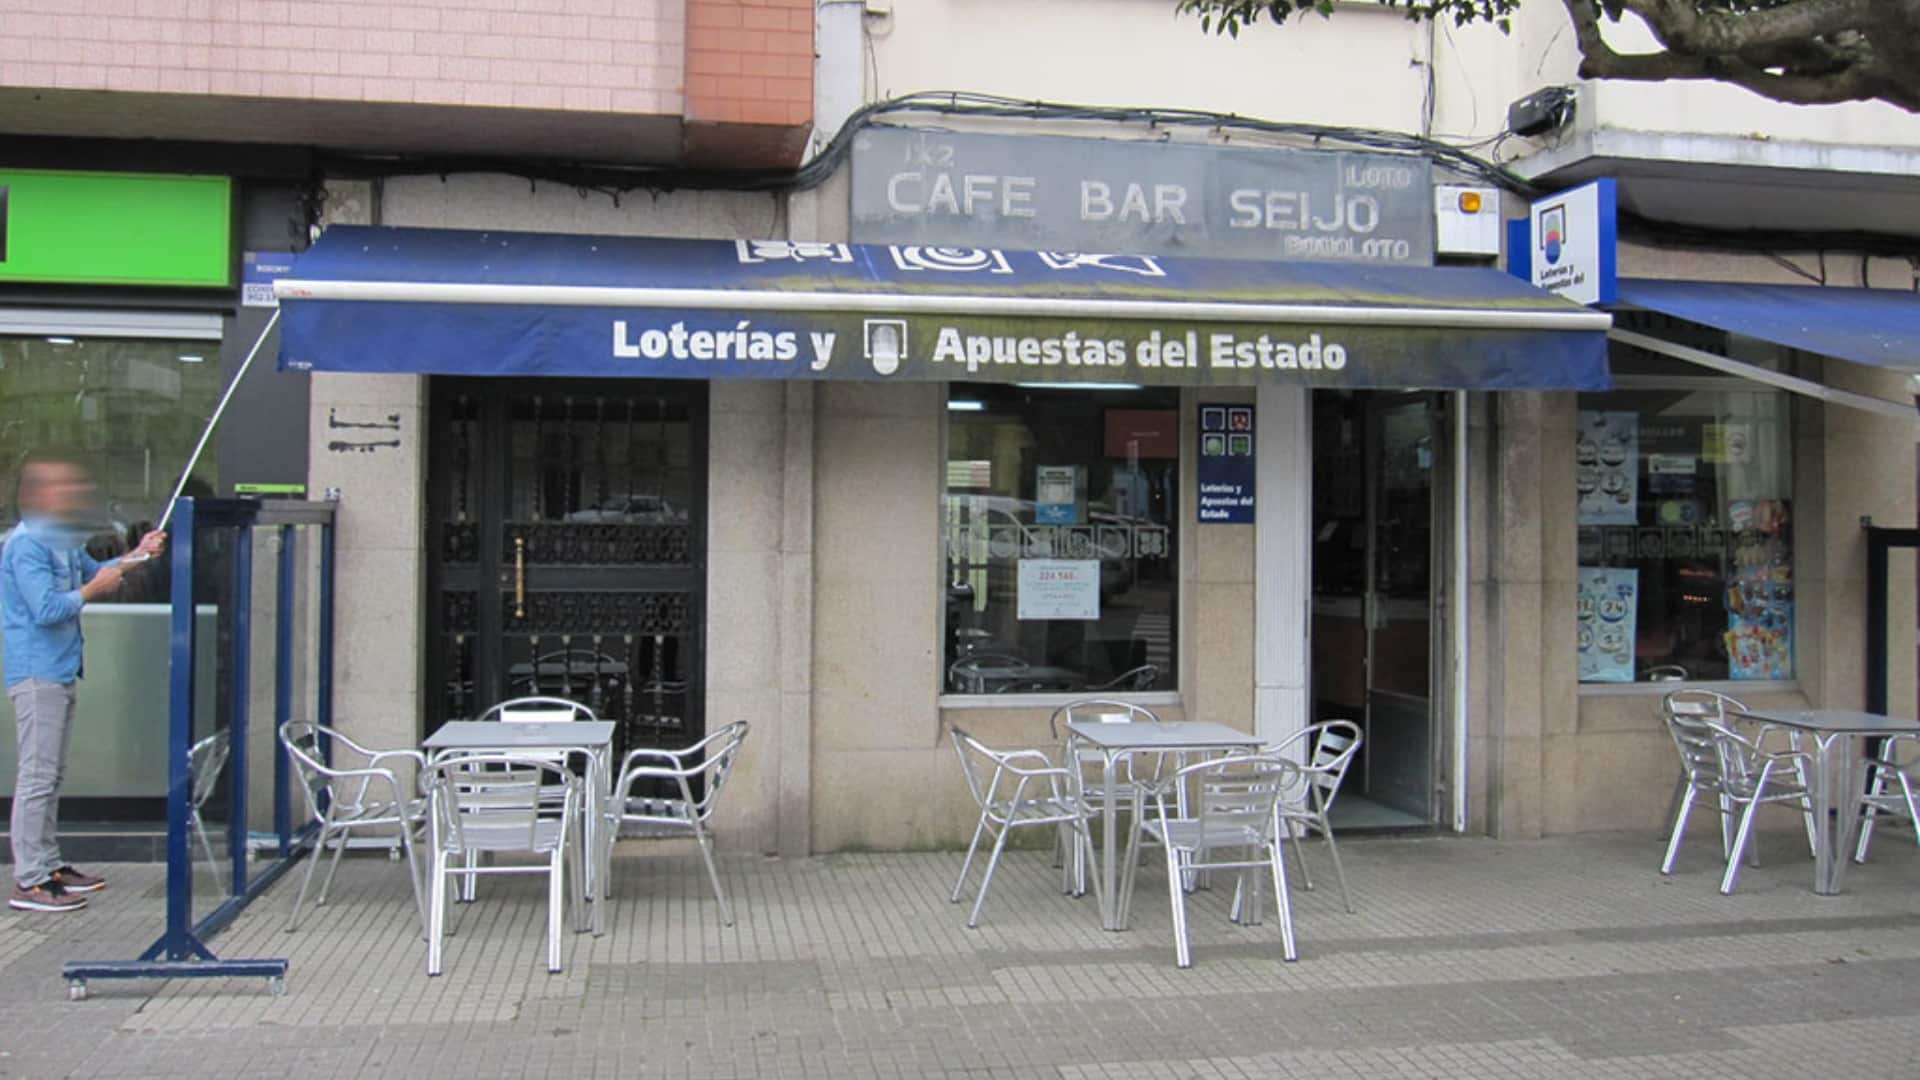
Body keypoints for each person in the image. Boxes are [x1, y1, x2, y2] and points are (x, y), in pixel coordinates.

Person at [2, 458, 163, 912]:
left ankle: (49, 864)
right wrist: (96, 590)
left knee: (50, 774)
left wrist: (139, 554)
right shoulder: (27, 546)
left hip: (61, 668)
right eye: (63, 487)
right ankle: (30, 880)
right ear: (37, 495)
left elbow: (97, 569)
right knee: (37, 775)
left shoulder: (58, 541)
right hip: (37, 672)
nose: (73, 492)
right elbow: (48, 609)